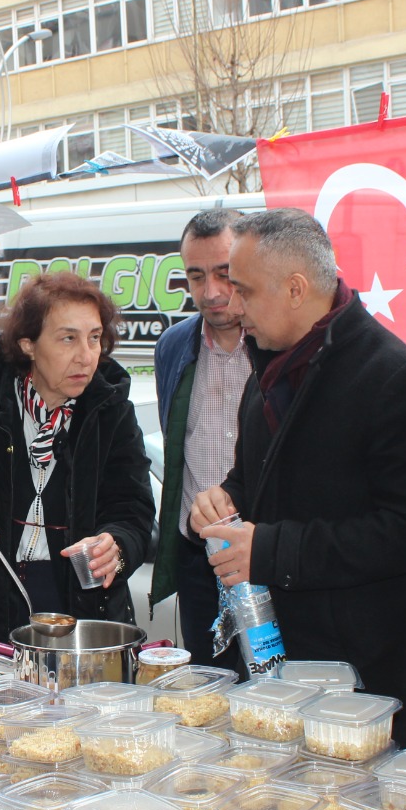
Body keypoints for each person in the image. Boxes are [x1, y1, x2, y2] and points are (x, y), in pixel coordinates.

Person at [190, 210, 406, 743]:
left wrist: (269, 549)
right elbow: (255, 479)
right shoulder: (268, 366)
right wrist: (223, 499)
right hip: (272, 662)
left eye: (243, 289)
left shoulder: (399, 378)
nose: (233, 306)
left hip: (363, 681)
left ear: (295, 288)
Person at [0, 272, 154, 654]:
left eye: (95, 337)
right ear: (28, 344)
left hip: (81, 611)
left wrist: (117, 546)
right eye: (68, 338)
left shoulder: (111, 414)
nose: (86, 355)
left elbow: (134, 509)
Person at [151, 207, 251, 669]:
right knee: (209, 696)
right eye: (195, 276)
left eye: (224, 274)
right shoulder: (173, 346)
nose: (210, 292)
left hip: (266, 559)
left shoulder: (280, 344)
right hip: (198, 564)